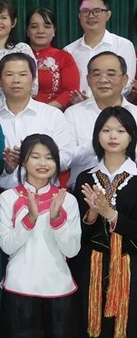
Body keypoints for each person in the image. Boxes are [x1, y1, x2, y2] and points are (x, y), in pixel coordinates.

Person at [0, 134, 80, 338]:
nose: (43, 163)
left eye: (49, 157)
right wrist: (30, 219)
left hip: (58, 288)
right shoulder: (8, 198)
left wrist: (57, 219)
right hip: (20, 288)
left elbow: (72, 250)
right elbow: (7, 247)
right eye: (35, 156)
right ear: (24, 160)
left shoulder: (67, 200)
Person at [73, 107, 137, 337]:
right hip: (92, 267)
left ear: (131, 136)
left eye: (120, 130)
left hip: (130, 268)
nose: (112, 136)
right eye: (106, 130)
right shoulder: (85, 178)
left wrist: (109, 213)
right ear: (97, 135)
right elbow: (77, 236)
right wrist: (91, 214)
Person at [0, 53, 75, 190]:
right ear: (0, 79)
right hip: (2, 196)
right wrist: (6, 167)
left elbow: (67, 157)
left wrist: (34, 157)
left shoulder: (52, 115)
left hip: (46, 196)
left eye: (22, 74)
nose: (16, 80)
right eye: (9, 74)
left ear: (34, 78)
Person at [66, 52, 137, 186]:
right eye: (96, 74)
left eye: (111, 74)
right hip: (83, 191)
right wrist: (97, 143)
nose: (103, 80)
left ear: (124, 79)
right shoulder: (73, 113)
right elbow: (66, 159)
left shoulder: (135, 114)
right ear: (88, 79)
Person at [65, 0, 136, 97]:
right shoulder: (69, 51)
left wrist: (94, 101)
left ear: (108, 15)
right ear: (79, 16)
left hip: (114, 109)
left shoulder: (123, 45)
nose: (91, 16)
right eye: (85, 11)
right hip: (78, 109)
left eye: (97, 11)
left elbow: (126, 84)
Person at [25, 7, 79, 110]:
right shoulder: (17, 56)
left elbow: (70, 91)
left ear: (54, 31)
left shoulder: (64, 57)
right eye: (34, 26)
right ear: (27, 31)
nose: (40, 31)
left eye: (47, 26)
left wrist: (46, 111)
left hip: (54, 113)